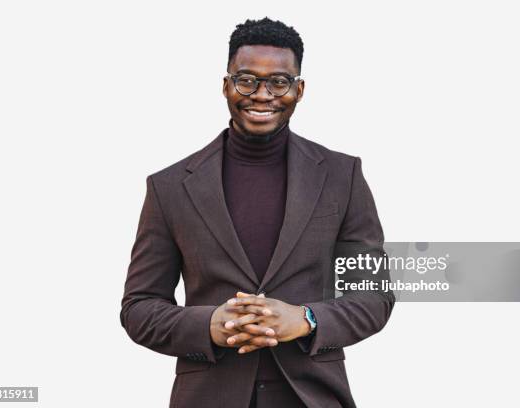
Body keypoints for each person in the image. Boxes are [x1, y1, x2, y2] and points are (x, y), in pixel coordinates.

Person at [120, 17, 395, 408]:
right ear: (225, 85)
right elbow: (139, 307)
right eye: (246, 79)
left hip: (312, 396)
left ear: (299, 90)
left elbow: (374, 298)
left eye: (279, 82)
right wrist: (208, 326)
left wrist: (305, 319)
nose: (261, 94)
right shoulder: (168, 187)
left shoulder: (341, 176)